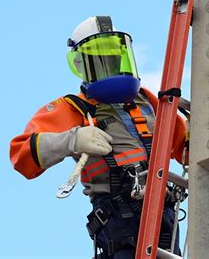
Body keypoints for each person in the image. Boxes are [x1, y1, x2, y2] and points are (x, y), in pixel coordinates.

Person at [10, 16, 187, 258]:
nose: (109, 64)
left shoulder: (148, 101)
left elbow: (188, 148)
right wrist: (72, 139)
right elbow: (21, 155)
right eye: (99, 58)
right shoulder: (72, 108)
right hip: (118, 217)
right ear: (81, 64)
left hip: (163, 213)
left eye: (113, 56)